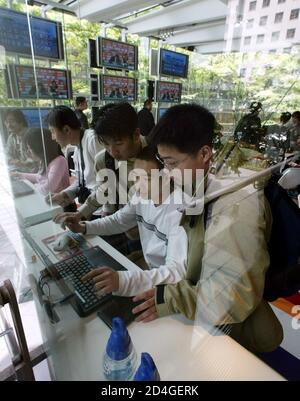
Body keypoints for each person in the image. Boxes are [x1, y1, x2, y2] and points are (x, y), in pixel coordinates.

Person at [132, 103, 283, 354]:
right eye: (163, 162)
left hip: (234, 334)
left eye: (171, 163)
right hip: (206, 317)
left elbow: (231, 296)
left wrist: (171, 298)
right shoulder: (203, 184)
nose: (167, 174)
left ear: (204, 154)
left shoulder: (236, 206)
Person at [65, 146, 189, 296]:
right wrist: (84, 227)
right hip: (150, 273)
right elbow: (119, 220)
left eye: (147, 178)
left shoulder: (181, 212)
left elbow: (176, 271)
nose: (138, 185)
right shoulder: (142, 196)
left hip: (170, 287)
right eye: (136, 177)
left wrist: (122, 280)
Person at [53, 103, 148, 244]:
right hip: (123, 229)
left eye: (118, 143)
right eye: (106, 144)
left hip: (151, 233)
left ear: (135, 135)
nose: (113, 151)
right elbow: (104, 191)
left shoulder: (158, 157)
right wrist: (81, 214)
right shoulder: (104, 159)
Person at [46, 106, 103, 209]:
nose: (52, 137)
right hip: (91, 206)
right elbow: (82, 181)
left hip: (101, 209)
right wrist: (64, 194)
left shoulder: (92, 140)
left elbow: (108, 181)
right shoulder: (77, 148)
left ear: (66, 129)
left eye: (53, 131)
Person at [11, 128, 69, 196]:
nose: (28, 152)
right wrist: (19, 175)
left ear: (40, 148)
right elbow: (39, 178)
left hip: (61, 205)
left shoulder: (59, 161)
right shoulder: (44, 160)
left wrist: (30, 188)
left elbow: (47, 189)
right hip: (49, 202)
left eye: (30, 148)